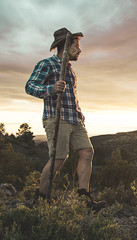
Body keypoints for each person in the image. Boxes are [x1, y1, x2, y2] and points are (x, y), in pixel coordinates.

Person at [25, 28, 105, 211]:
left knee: (87, 151)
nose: (79, 50)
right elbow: (30, 86)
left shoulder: (70, 70)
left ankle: (84, 198)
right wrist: (51, 88)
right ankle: (41, 198)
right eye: (76, 45)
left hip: (74, 119)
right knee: (58, 158)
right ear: (65, 46)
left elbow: (72, 97)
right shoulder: (48, 64)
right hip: (56, 117)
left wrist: (80, 115)